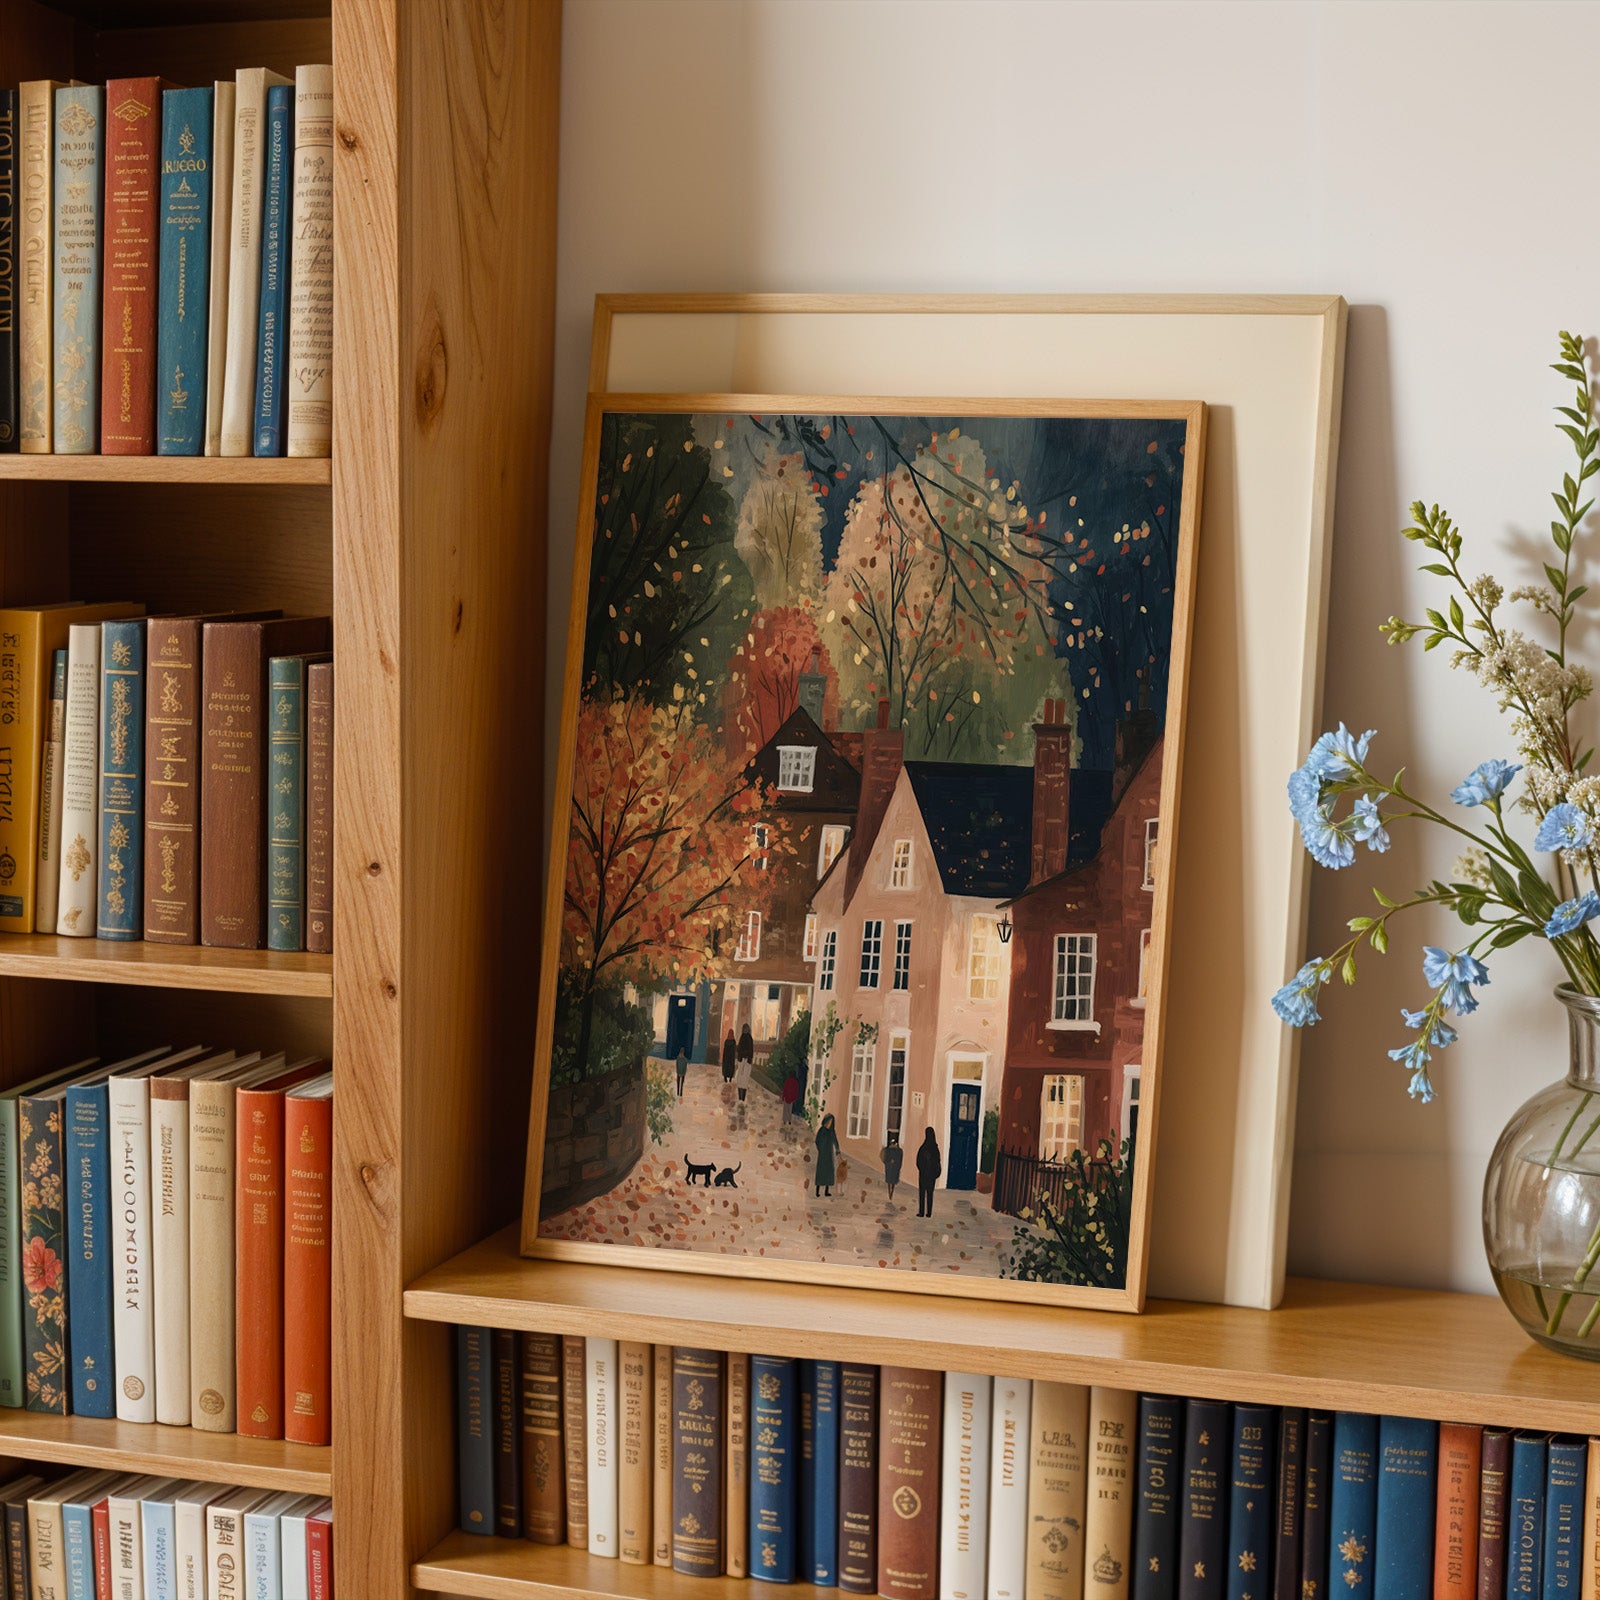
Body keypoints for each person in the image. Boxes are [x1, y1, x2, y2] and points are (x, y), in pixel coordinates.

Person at [915, 1126, 942, 1217]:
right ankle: (929, 1213)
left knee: (922, 1193)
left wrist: (922, 1169)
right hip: (931, 1176)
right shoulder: (935, 1149)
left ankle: (921, 1212)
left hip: (923, 1174)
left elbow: (918, 1161)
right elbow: (938, 1161)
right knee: (930, 1194)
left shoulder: (923, 1148)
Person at [815, 1113, 841, 1198]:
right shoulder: (821, 1130)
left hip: (829, 1153)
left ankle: (827, 1191)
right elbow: (817, 1141)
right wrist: (820, 1149)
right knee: (821, 1171)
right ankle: (817, 1191)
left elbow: (835, 1142)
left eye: (831, 1122)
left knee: (829, 1171)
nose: (830, 1124)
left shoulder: (831, 1132)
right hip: (822, 1154)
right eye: (829, 1122)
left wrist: (837, 1151)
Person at [881, 1132, 903, 1202]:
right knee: (893, 1180)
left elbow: (884, 1158)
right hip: (895, 1167)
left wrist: (888, 1162)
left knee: (889, 1180)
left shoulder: (887, 1150)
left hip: (889, 1166)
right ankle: (891, 1193)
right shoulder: (899, 1151)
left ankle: (890, 1193)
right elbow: (900, 1160)